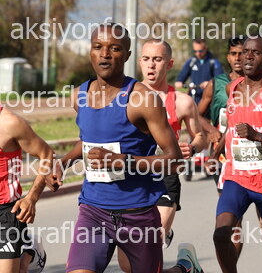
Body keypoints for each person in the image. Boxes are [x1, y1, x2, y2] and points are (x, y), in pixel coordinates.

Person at [47, 23, 202, 273]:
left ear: (127, 55)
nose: (105, 54)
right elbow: (89, 141)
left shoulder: (143, 99)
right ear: (90, 52)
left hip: (137, 212)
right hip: (93, 210)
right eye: (98, 47)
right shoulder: (79, 95)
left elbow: (174, 159)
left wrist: (122, 161)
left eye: (114, 48)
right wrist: (63, 163)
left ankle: (185, 268)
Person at [117, 39, 211, 272]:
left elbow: (201, 136)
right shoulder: (124, 97)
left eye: (157, 60)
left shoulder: (182, 102)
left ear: (169, 64)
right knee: (129, 266)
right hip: (132, 179)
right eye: (146, 59)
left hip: (165, 179)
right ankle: (186, 267)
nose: (151, 65)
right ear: (139, 62)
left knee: (149, 250)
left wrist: (193, 147)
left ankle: (161, 234)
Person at [210, 36, 262, 273]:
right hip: (236, 177)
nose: (247, 56)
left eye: (256, 53)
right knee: (221, 234)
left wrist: (257, 136)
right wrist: (217, 151)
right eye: (245, 51)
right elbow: (233, 125)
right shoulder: (232, 88)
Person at [0, 106, 54, 273]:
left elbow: (46, 154)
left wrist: (32, 198)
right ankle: (27, 249)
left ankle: (29, 251)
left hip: (5, 213)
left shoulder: (9, 123)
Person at [199, 37, 246, 192]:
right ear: (228, 57)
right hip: (221, 152)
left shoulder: (258, 83)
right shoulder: (215, 83)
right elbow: (196, 115)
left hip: (249, 150)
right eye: (233, 54)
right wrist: (211, 129)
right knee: (226, 197)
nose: (237, 58)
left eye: (241, 53)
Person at [176, 39, 224, 104]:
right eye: (195, 51)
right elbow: (181, 78)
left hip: (208, 99)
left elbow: (220, 80)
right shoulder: (191, 61)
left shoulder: (213, 62)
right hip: (194, 97)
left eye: (200, 51)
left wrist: (210, 84)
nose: (198, 53)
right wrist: (179, 82)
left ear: (206, 48)